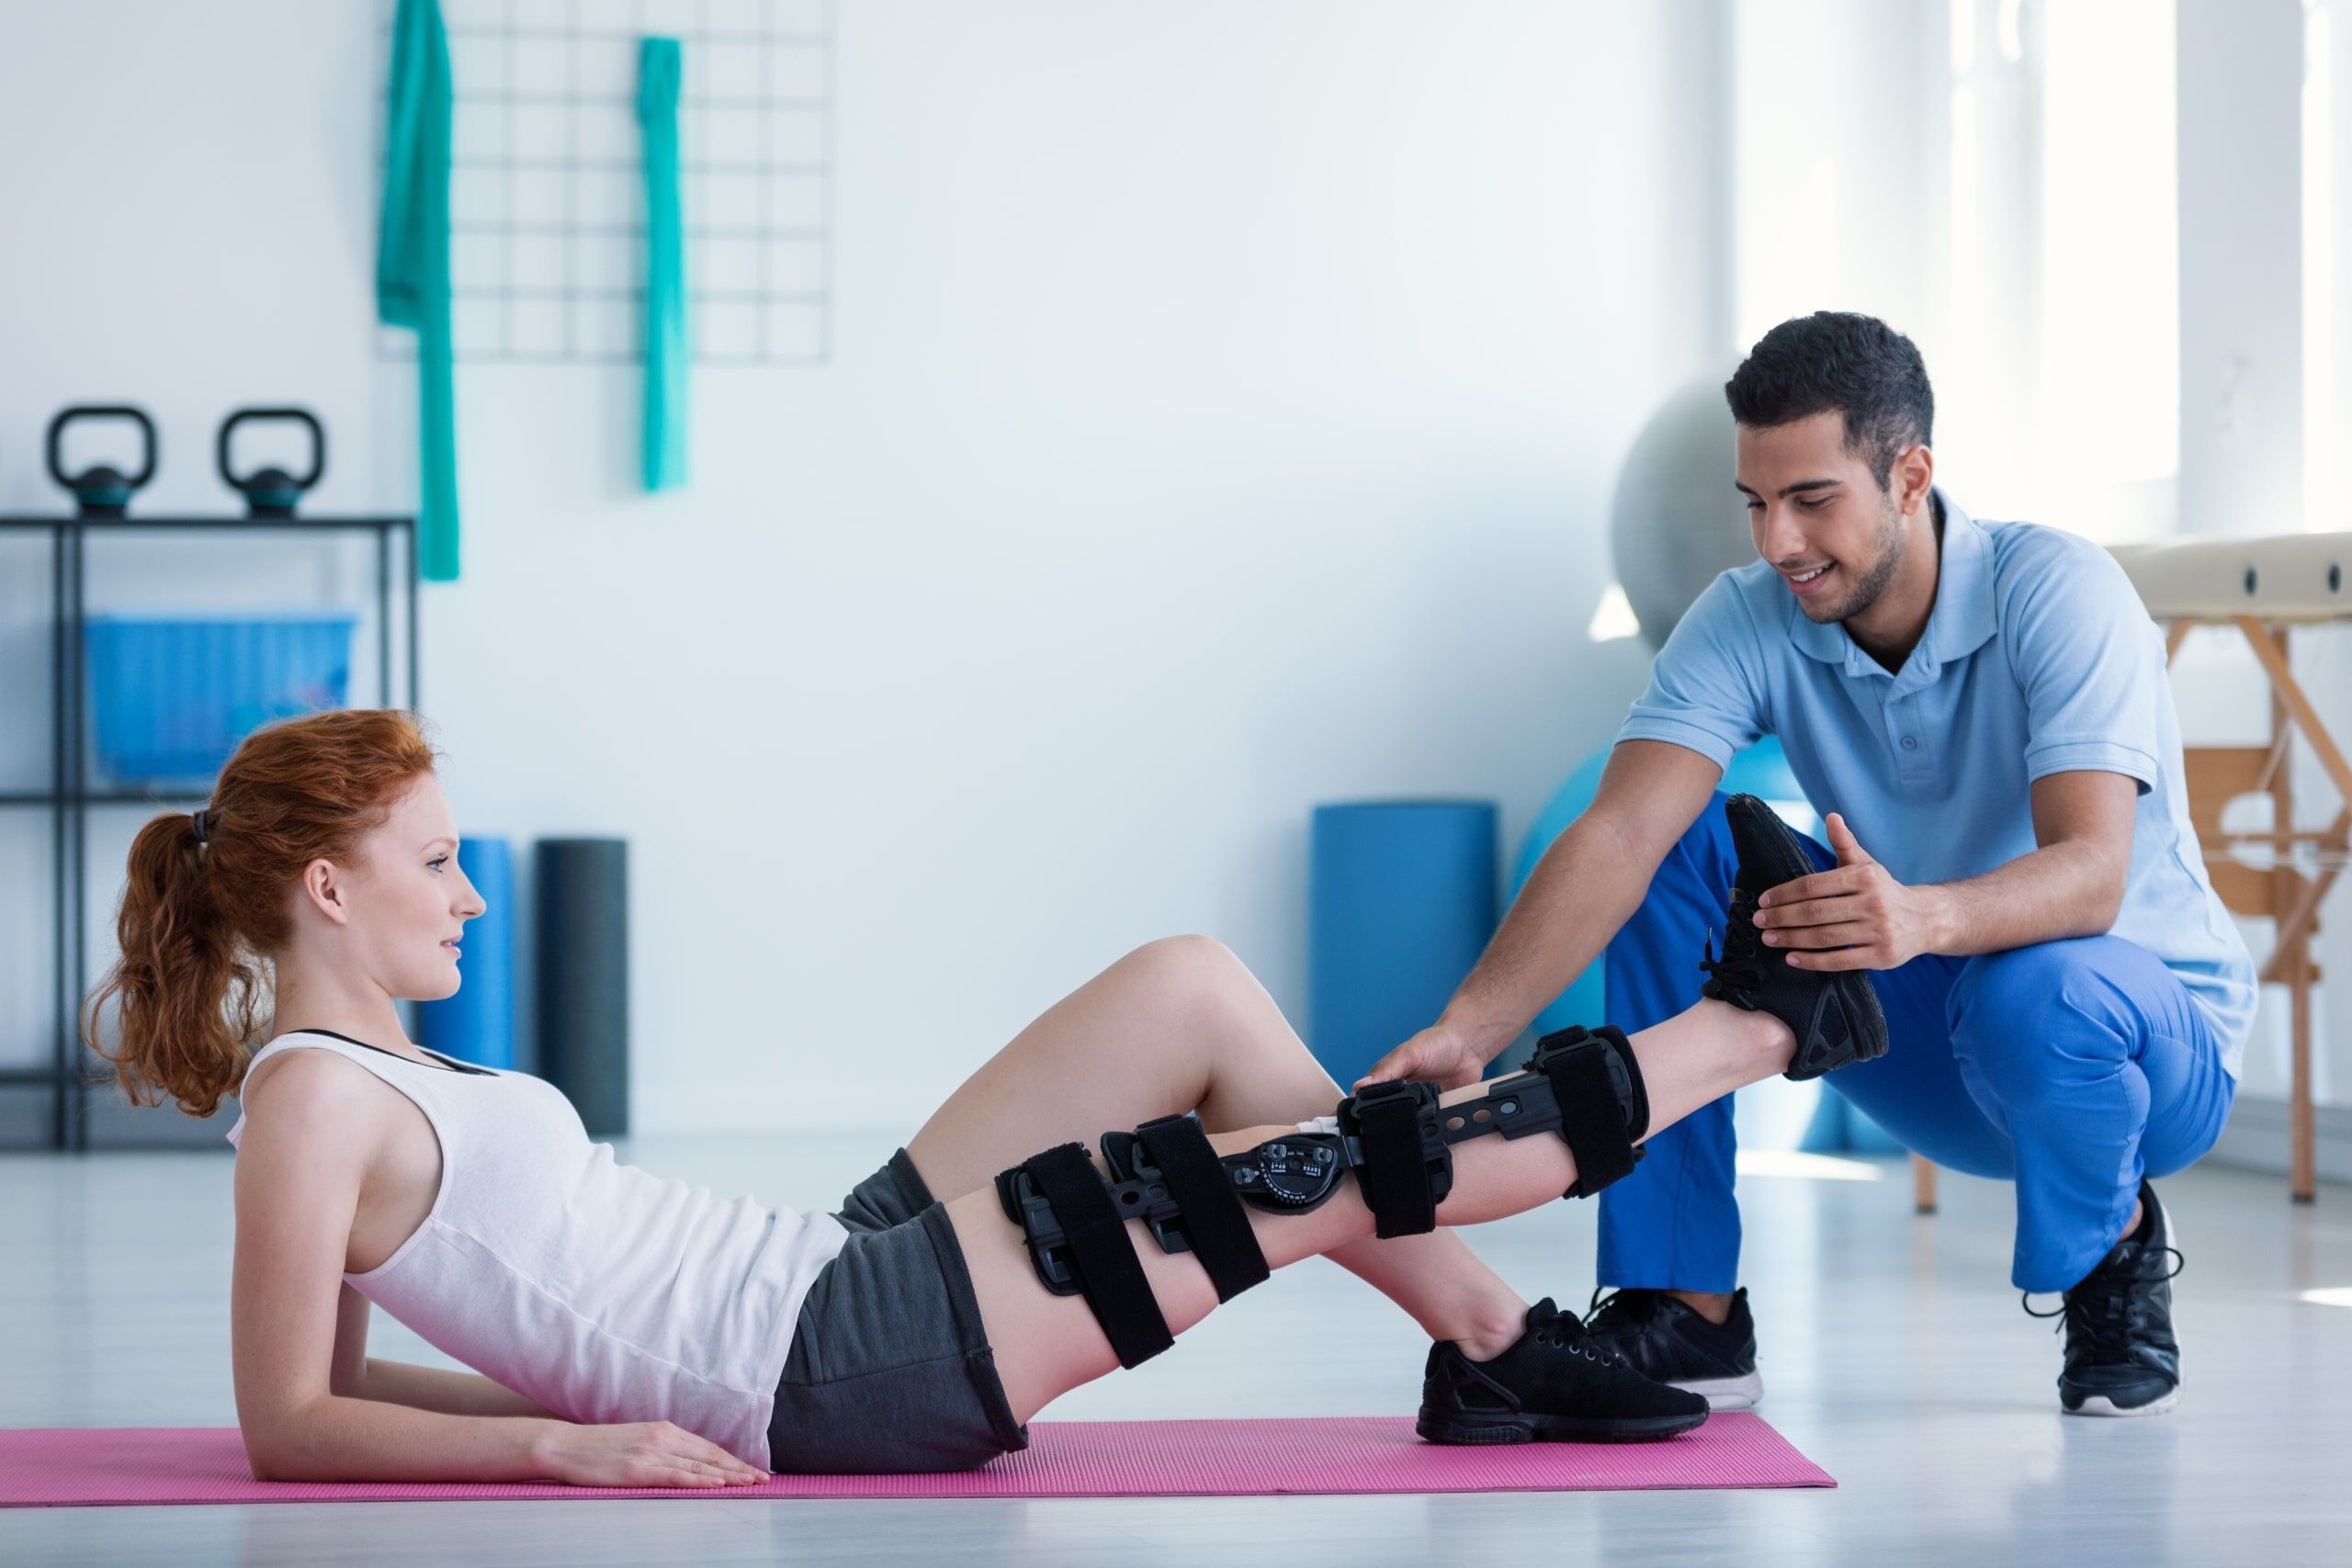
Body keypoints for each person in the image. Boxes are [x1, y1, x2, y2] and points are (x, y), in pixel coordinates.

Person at [87, 706, 1871, 1485]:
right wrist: (559, 1433)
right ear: (329, 887)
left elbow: (353, 1370)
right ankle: (1761, 1021)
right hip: (834, 1367)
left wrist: (532, 1381)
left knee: (1184, 982)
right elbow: (291, 1420)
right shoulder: (311, 1102)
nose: (467, 892)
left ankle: (1489, 1349)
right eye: (433, 862)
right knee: (1324, 1164)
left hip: (820, 1268)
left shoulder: (373, 1069)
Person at [1366, 311, 2255, 1418]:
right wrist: (1470, 1030)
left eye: (1811, 499)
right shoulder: (1745, 618)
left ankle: (2113, 1248)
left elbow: (2089, 876)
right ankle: (1685, 1309)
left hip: (2136, 1044)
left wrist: (1917, 918)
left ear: (1909, 474)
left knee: (2044, 982)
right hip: (1930, 1029)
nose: (1775, 542)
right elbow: (1617, 837)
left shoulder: (2057, 591)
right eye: (1755, 503)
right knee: (1683, 843)